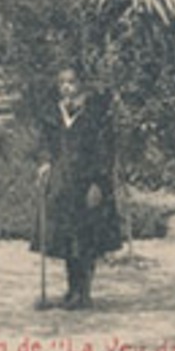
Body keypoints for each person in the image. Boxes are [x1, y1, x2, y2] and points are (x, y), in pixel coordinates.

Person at [32, 66, 121, 309]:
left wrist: (98, 183)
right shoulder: (53, 114)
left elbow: (105, 152)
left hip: (87, 183)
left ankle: (84, 291)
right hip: (63, 183)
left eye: (71, 82)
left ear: (80, 84)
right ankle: (71, 289)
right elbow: (44, 143)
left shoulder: (95, 115)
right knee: (68, 239)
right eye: (62, 83)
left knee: (87, 239)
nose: (66, 87)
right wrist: (44, 162)